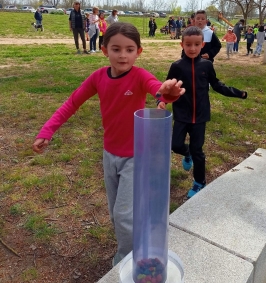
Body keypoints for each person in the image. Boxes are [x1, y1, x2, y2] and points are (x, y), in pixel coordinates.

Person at [32, 22, 185, 266]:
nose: (123, 55)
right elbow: (72, 103)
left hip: (136, 157)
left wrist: (168, 91)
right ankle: (131, 245)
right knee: (117, 213)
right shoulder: (97, 78)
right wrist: (47, 131)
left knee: (123, 215)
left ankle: (127, 261)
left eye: (129, 49)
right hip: (109, 155)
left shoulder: (140, 75)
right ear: (105, 50)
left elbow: (159, 91)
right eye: (116, 49)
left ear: (138, 52)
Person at [157, 26, 247, 199]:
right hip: (182, 114)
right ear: (182, 44)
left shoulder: (206, 65)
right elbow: (167, 87)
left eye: (196, 44)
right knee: (175, 145)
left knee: (198, 150)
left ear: (202, 44)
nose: (192, 48)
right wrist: (162, 101)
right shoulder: (176, 66)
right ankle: (186, 153)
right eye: (188, 44)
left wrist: (237, 93)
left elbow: (217, 85)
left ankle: (200, 182)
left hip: (200, 116)